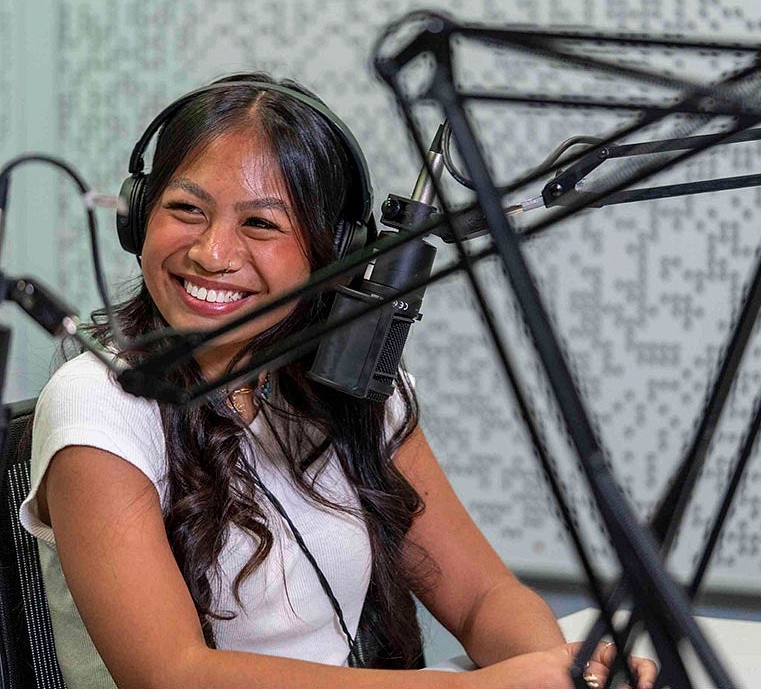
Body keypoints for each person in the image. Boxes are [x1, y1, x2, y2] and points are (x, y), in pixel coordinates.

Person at [20, 73, 656, 688]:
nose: (212, 253)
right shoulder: (98, 401)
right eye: (186, 210)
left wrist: (566, 671)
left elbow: (482, 595)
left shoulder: (354, 382)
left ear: (335, 250)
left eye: (261, 224)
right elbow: (172, 675)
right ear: (138, 218)